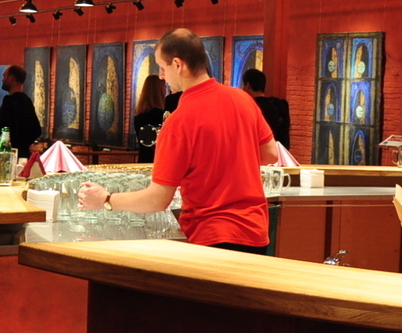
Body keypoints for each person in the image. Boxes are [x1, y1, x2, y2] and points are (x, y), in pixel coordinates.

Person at [79, 29, 277, 253]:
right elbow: (270, 154)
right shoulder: (242, 99)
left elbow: (157, 200)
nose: (161, 76)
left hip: (212, 236)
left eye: (162, 67)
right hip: (256, 231)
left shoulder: (179, 121)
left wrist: (106, 199)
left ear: (177, 64)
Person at [0, 64, 41, 158]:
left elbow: (2, 126)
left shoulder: (9, 100)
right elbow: (37, 130)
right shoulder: (26, 100)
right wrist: (25, 144)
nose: (2, 79)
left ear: (11, 78)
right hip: (24, 154)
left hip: (8, 153)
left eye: (4, 76)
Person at [241, 68, 291, 148]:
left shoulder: (249, 107)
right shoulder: (276, 106)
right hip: (275, 151)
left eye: (243, 85)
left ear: (248, 86)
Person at [133, 74, 166, 164]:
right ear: (159, 90)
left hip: (143, 160)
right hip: (157, 161)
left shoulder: (139, 115)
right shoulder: (160, 115)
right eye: (164, 87)